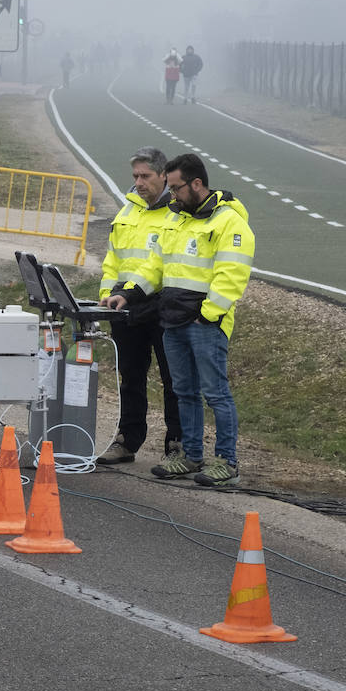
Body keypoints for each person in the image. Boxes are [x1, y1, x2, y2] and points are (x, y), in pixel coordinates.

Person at [106, 153, 255, 487]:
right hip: (172, 321)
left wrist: (208, 315)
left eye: (176, 188)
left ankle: (226, 461)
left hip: (204, 324)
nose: (171, 195)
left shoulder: (228, 222)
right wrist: (129, 293)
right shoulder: (177, 219)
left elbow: (232, 274)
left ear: (197, 184)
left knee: (215, 393)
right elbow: (155, 267)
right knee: (184, 391)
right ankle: (190, 455)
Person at [96, 147, 181, 466]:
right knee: (130, 378)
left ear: (163, 175)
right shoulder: (127, 211)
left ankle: (177, 446)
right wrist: (106, 298)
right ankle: (127, 440)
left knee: (174, 381)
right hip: (123, 308)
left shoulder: (177, 212)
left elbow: (164, 264)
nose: (139, 182)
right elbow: (112, 260)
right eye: (135, 176)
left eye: (145, 176)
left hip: (161, 307)